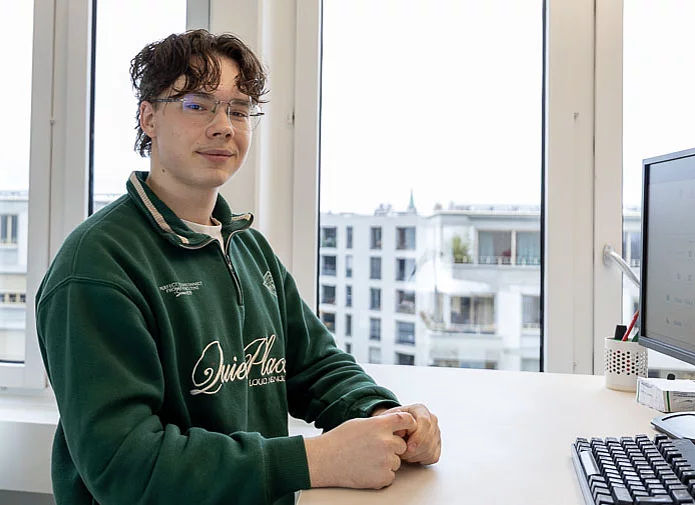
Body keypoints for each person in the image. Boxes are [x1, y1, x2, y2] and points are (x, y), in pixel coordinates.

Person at [36, 29, 441, 505]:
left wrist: (385, 416)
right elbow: (126, 466)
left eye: (239, 109)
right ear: (148, 117)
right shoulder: (96, 265)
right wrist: (314, 460)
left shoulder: (246, 246)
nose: (223, 126)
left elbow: (314, 365)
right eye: (197, 104)